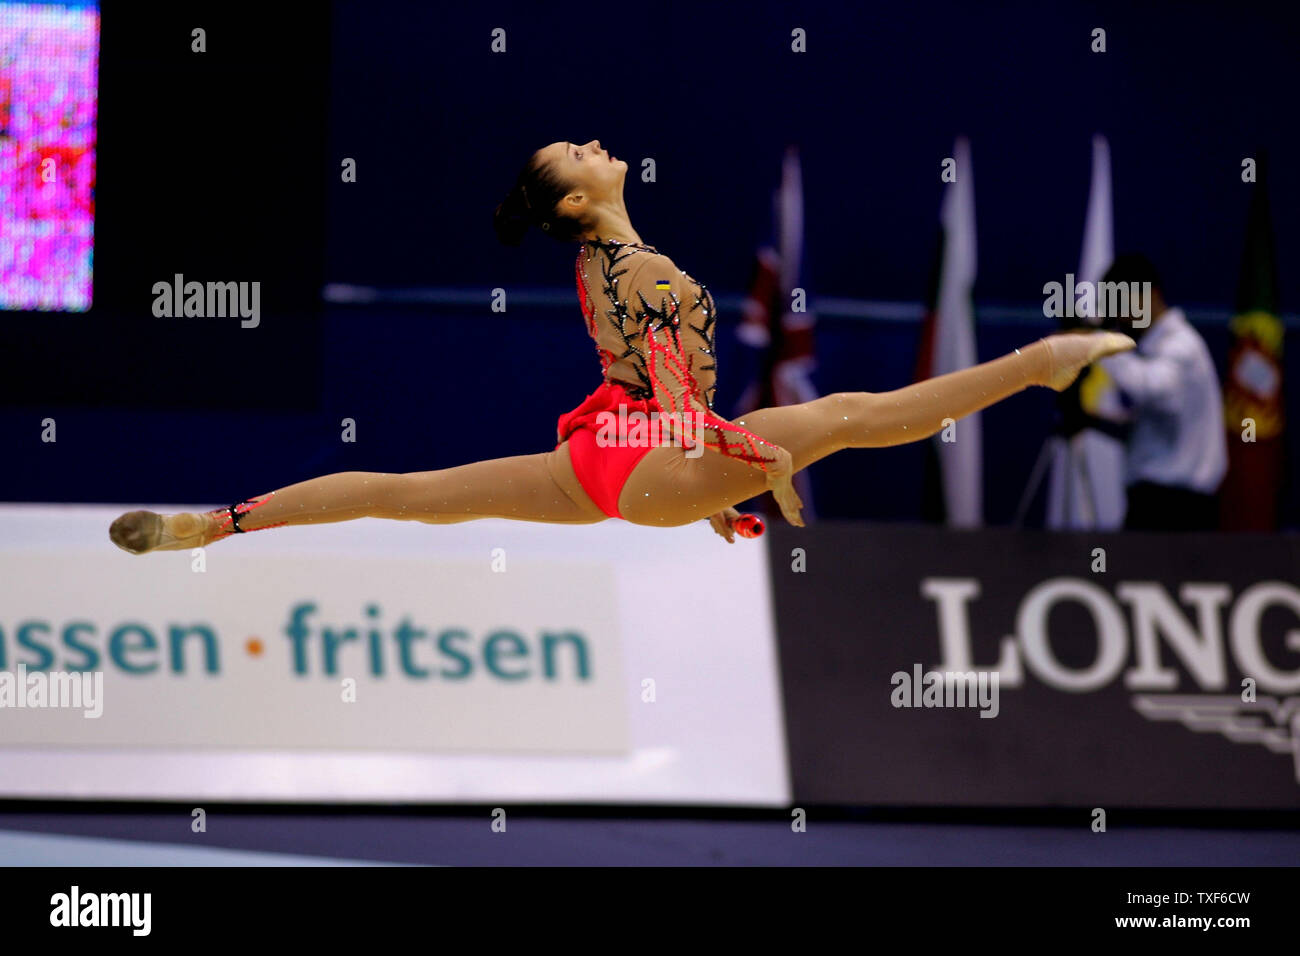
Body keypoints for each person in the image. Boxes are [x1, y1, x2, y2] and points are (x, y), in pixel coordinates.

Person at [109, 139, 1133, 554]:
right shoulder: (639, 272)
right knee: (852, 418)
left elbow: (669, 412)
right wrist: (746, 462)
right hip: (639, 448)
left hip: (601, 454)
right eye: (581, 152)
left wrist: (704, 485)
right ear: (575, 196)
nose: (599, 142)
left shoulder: (614, 265)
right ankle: (1044, 360)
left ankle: (219, 522)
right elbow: (687, 413)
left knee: (411, 492)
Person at [1095, 254, 1227, 530]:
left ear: (1150, 295)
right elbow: (1152, 432)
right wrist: (1092, 420)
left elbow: (1151, 388)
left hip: (1176, 512)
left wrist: (1096, 344)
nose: (1120, 319)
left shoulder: (1182, 347)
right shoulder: (1158, 351)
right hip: (1157, 504)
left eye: (1123, 305)